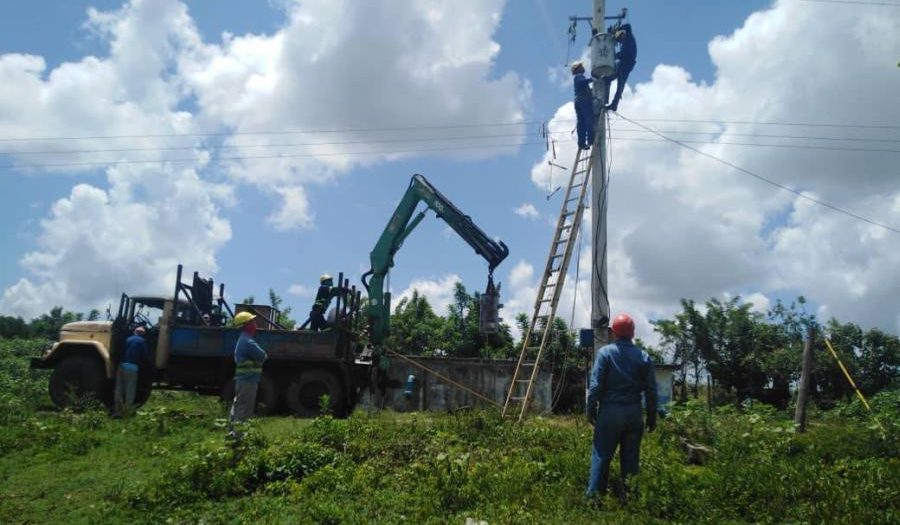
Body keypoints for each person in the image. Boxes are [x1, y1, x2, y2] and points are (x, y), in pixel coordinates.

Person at [585, 313, 657, 501]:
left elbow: (595, 386)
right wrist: (651, 418)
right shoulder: (644, 356)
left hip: (610, 413)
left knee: (601, 456)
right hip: (634, 413)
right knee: (631, 460)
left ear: (614, 333)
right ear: (632, 334)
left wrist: (590, 410)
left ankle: (594, 501)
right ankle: (631, 501)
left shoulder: (606, 353)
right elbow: (651, 391)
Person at [229, 311, 268, 432]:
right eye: (252, 322)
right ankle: (238, 435)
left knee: (239, 405)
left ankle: (233, 432)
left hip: (244, 379)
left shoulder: (243, 340)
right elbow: (263, 356)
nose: (254, 324)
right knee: (244, 407)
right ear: (246, 325)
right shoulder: (247, 342)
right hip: (248, 379)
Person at [114, 326, 150, 417]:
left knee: (119, 388)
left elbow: (120, 351)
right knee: (130, 390)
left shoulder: (128, 339)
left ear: (134, 332)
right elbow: (145, 356)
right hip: (132, 368)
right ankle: (126, 412)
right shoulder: (142, 341)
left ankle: (117, 411)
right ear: (143, 334)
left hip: (121, 366)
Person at [604, 24, 637, 112]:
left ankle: (614, 105)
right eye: (618, 40)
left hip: (626, 65)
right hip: (622, 64)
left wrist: (616, 29)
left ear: (622, 34)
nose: (620, 41)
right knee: (610, 77)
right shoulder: (624, 44)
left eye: (619, 38)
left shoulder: (629, 37)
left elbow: (628, 26)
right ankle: (606, 82)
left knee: (620, 85)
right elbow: (620, 55)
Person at [571, 61, 596, 150]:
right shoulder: (578, 77)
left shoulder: (579, 78)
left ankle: (581, 143)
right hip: (583, 101)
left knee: (581, 122)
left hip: (579, 101)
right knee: (589, 120)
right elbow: (582, 82)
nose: (583, 68)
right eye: (581, 66)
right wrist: (592, 79)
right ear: (577, 69)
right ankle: (591, 140)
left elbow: (584, 86)